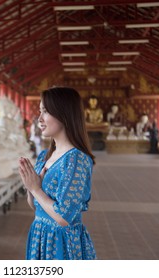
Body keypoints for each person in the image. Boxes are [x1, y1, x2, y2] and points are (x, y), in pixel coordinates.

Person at [18, 86, 96, 260]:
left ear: (64, 114)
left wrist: (36, 189)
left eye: (45, 111)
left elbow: (63, 217)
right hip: (40, 235)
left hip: (62, 242)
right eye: (40, 111)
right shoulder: (45, 156)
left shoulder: (76, 160)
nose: (40, 119)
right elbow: (36, 206)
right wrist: (30, 186)